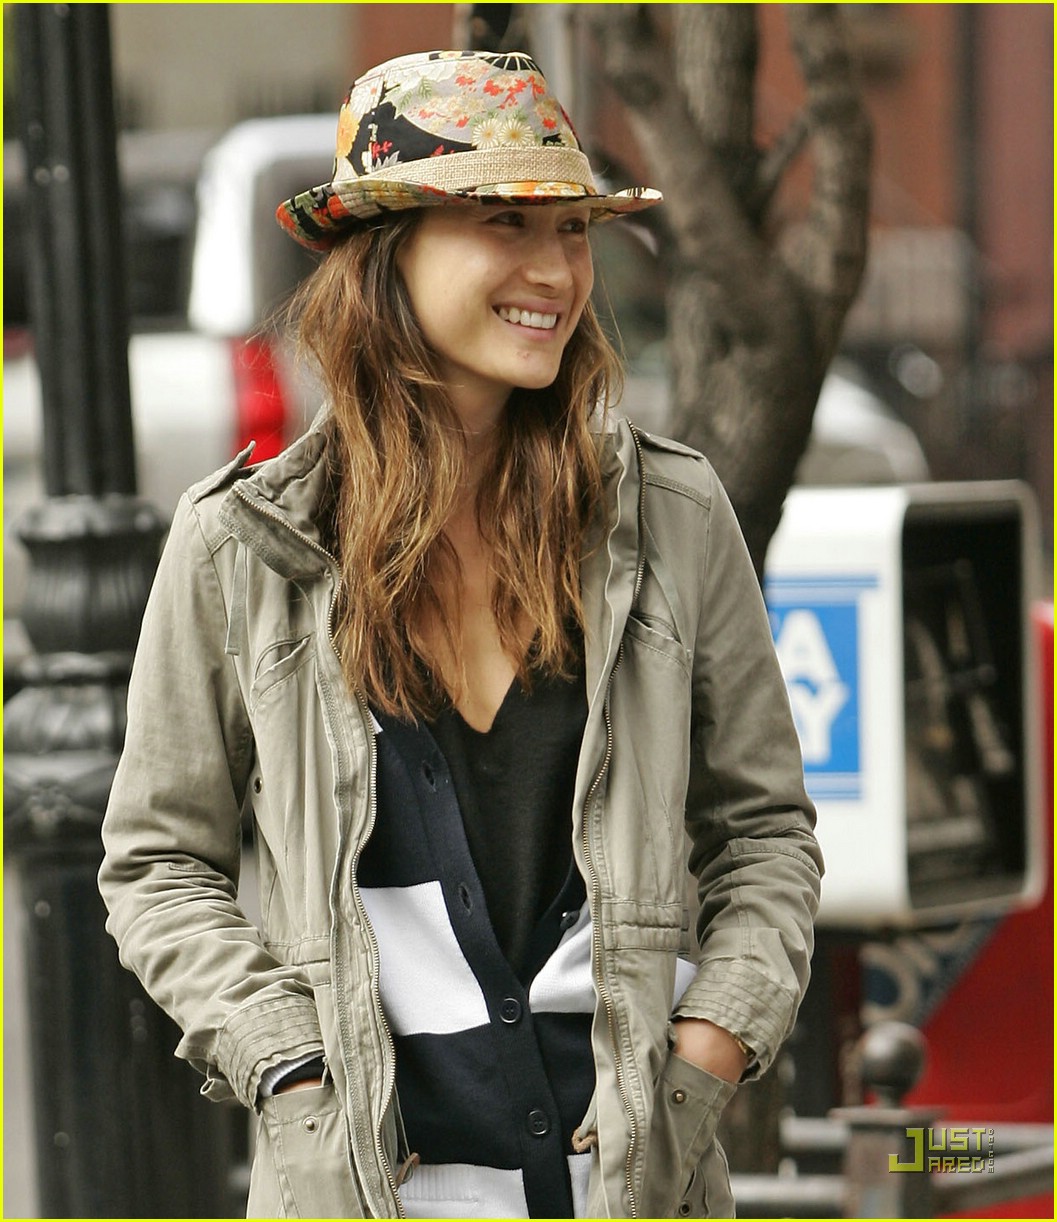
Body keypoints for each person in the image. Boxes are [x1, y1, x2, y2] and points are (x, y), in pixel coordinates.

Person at [99, 48, 822, 1220]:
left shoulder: (668, 518)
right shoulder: (244, 548)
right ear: (387, 253)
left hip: (634, 1190)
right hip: (364, 1193)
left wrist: (706, 1051)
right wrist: (291, 1067)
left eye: (572, 229)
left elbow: (765, 832)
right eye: (503, 222)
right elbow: (157, 863)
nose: (556, 271)